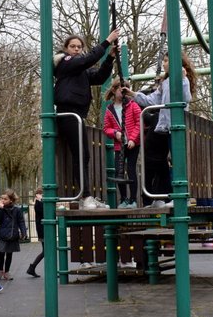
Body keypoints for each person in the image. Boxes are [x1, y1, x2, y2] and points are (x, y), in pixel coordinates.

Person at [53, 29, 119, 209]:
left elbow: (98, 77)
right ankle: (85, 196)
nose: (76, 49)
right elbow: (86, 60)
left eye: (79, 47)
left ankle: (87, 195)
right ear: (66, 49)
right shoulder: (65, 63)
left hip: (78, 115)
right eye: (72, 46)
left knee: (84, 155)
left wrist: (110, 58)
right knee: (81, 155)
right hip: (68, 113)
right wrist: (106, 42)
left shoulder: (80, 70)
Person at [125, 53, 196, 207]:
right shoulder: (165, 82)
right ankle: (172, 196)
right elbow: (152, 100)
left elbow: (186, 98)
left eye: (166, 60)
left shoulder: (183, 79)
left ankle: (181, 196)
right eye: (163, 61)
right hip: (166, 127)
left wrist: (184, 80)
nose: (164, 64)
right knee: (168, 161)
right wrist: (133, 95)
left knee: (178, 161)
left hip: (178, 125)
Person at [103, 77, 142, 208]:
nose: (122, 92)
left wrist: (132, 138)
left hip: (132, 143)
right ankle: (124, 199)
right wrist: (115, 133)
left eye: (125, 89)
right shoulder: (110, 110)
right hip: (119, 144)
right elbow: (106, 128)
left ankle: (133, 200)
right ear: (114, 90)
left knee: (131, 169)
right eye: (120, 89)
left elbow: (139, 122)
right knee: (118, 170)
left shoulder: (132, 105)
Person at [0, 189, 27, 280]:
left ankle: (7, 271)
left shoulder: (17, 210)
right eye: (2, 198)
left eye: (5, 199)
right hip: (3, 234)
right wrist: (0, 209)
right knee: (1, 253)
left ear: (11, 200)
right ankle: (0, 270)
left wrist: (24, 232)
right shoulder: (0, 209)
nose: (2, 200)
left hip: (12, 235)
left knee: (9, 254)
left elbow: (21, 221)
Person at [26, 187, 45, 277]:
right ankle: (32, 267)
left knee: (46, 251)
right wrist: (40, 200)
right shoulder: (38, 204)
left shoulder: (41, 203)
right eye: (42, 194)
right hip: (42, 230)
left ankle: (32, 268)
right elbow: (43, 212)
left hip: (43, 230)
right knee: (46, 251)